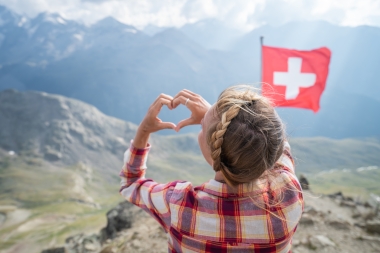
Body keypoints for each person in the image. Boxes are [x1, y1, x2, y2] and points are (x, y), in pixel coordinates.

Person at [119, 85, 304, 252]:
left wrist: (144, 130)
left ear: (214, 149)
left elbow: (130, 183)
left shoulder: (180, 204)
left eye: (202, 126)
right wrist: (220, 122)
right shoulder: (288, 195)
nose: (201, 125)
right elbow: (277, 143)